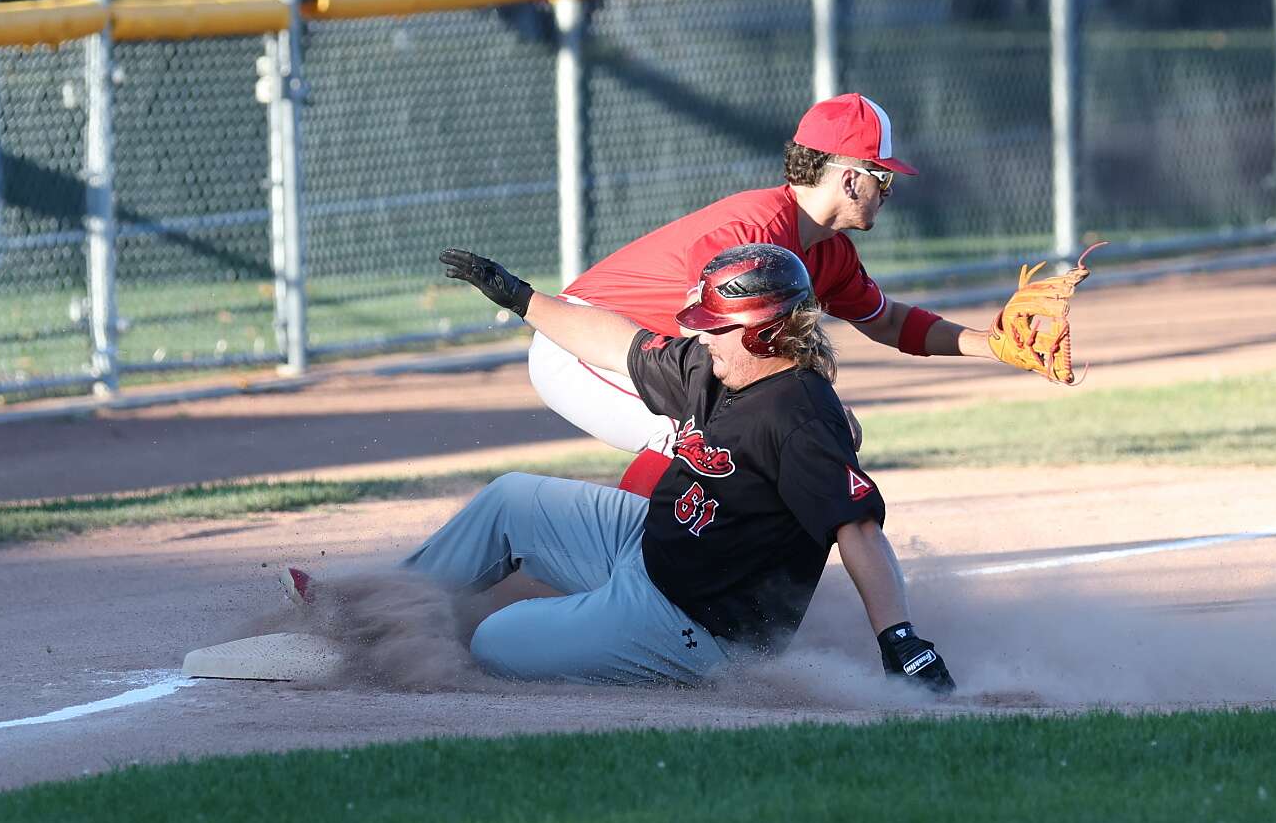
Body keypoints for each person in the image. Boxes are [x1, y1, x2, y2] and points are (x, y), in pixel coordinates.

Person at [287, 243, 956, 693]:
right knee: (510, 500)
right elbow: (618, 343)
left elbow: (857, 530)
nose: (700, 335)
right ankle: (371, 616)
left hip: (691, 626)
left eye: (715, 325)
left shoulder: (800, 416)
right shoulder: (717, 367)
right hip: (644, 544)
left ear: (765, 332)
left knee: (493, 640)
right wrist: (521, 299)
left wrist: (899, 639)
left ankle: (554, 633)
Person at [526, 91, 1085, 466]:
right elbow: (716, 340)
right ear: (850, 178)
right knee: (714, 441)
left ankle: (692, 573)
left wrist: (991, 344)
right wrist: (817, 407)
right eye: (883, 179)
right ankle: (644, 574)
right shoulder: (752, 231)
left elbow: (887, 321)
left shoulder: (828, 251)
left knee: (758, 436)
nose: (888, 192)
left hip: (661, 359)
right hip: (583, 345)